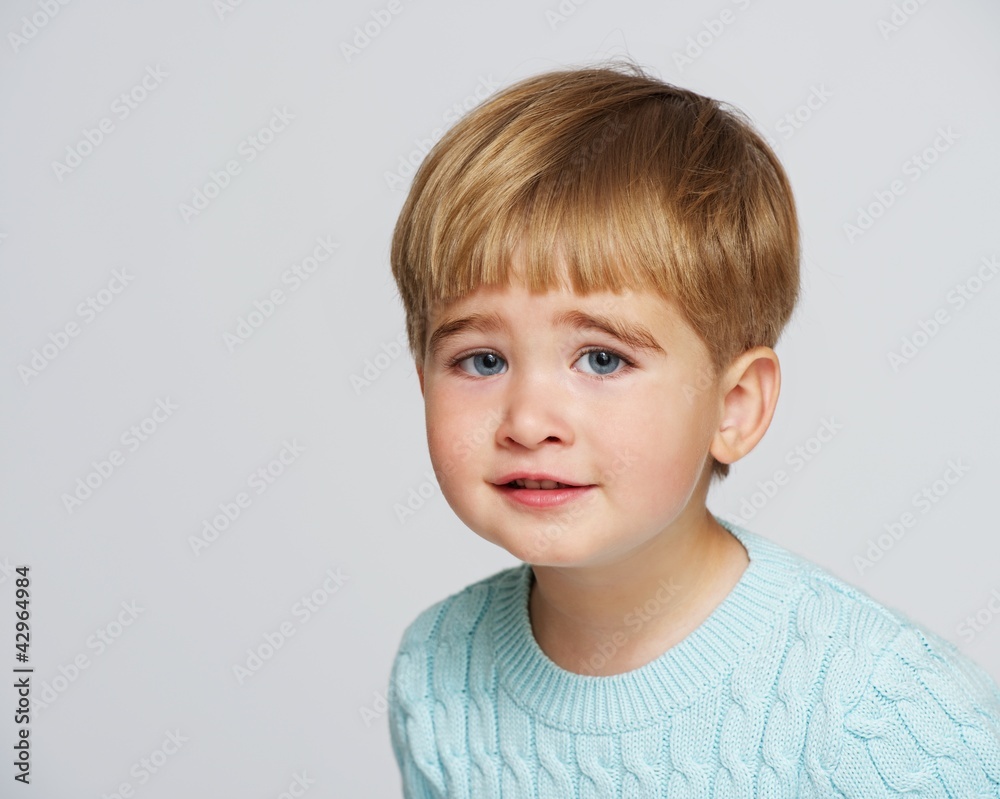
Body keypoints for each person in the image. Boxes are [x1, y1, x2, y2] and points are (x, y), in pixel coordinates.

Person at [384, 61, 1000, 797]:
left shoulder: (880, 710)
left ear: (734, 406)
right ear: (422, 378)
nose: (528, 421)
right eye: (481, 359)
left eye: (603, 358)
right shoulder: (437, 671)